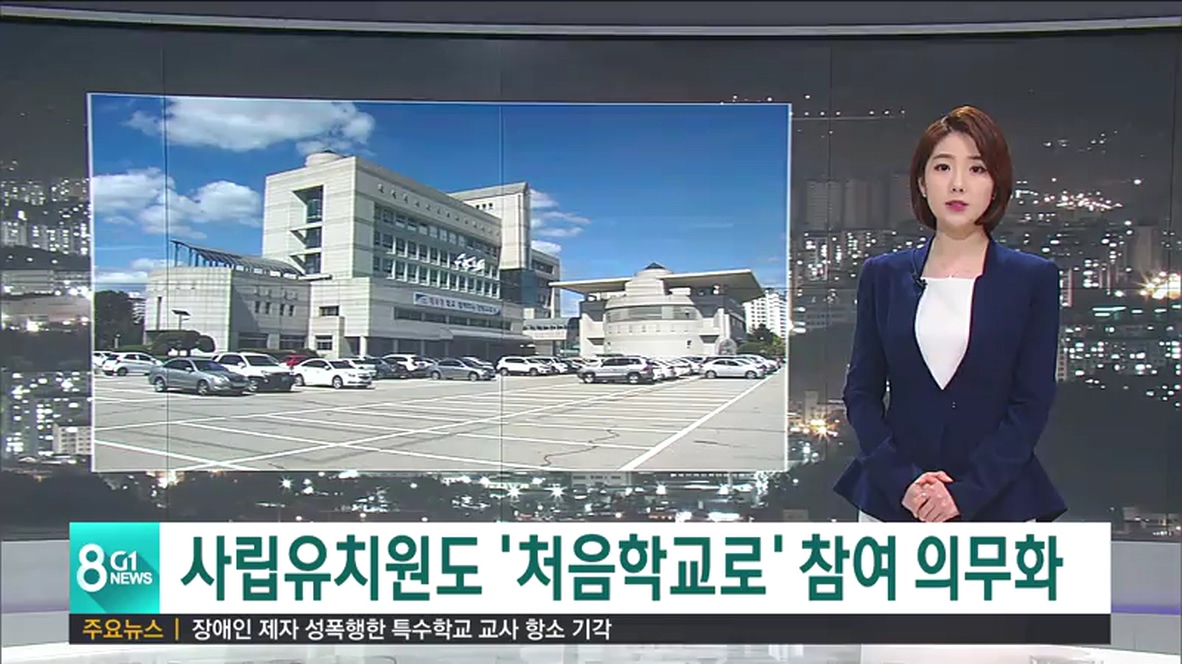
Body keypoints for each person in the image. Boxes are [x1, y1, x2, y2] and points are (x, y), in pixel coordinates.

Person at [833, 105, 1067, 523]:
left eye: (976, 169)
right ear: (922, 183)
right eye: (943, 167)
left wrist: (965, 494)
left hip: (998, 505)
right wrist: (904, 483)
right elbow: (861, 393)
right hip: (895, 503)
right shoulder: (883, 275)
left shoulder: (1032, 278)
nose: (958, 183)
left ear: (996, 184)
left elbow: (1030, 403)